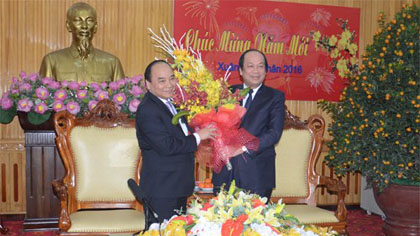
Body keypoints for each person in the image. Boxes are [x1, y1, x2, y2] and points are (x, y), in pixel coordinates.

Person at [135, 60, 218, 225]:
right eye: (162, 80)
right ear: (148, 85)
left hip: (176, 186)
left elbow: (180, 136)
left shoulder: (170, 104)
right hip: (162, 190)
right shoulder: (148, 110)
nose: (169, 84)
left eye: (172, 78)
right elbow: (167, 146)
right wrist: (198, 136)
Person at [212, 49, 285, 201]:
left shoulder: (275, 97)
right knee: (221, 221)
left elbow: (274, 133)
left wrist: (242, 148)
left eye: (260, 66)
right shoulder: (227, 93)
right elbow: (215, 126)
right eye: (250, 66)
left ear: (266, 71)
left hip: (256, 173)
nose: (256, 71)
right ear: (241, 71)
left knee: (255, 223)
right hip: (225, 171)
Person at [39, 2, 125, 82]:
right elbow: (43, 94)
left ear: (95, 27)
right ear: (68, 26)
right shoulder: (52, 61)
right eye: (78, 20)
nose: (84, 26)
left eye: (89, 21)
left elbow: (121, 95)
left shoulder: (112, 63)